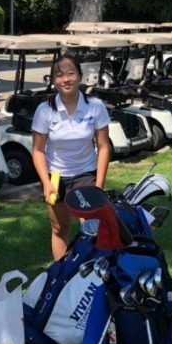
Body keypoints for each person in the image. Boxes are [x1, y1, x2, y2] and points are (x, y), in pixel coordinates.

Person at [31, 53, 112, 260]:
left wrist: (98, 186)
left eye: (70, 73)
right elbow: (38, 150)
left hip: (86, 173)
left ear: (80, 76)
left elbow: (103, 147)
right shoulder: (44, 110)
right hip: (56, 176)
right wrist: (46, 183)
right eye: (59, 75)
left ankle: (91, 273)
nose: (65, 79)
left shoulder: (95, 106)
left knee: (91, 227)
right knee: (59, 228)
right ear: (53, 80)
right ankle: (61, 272)